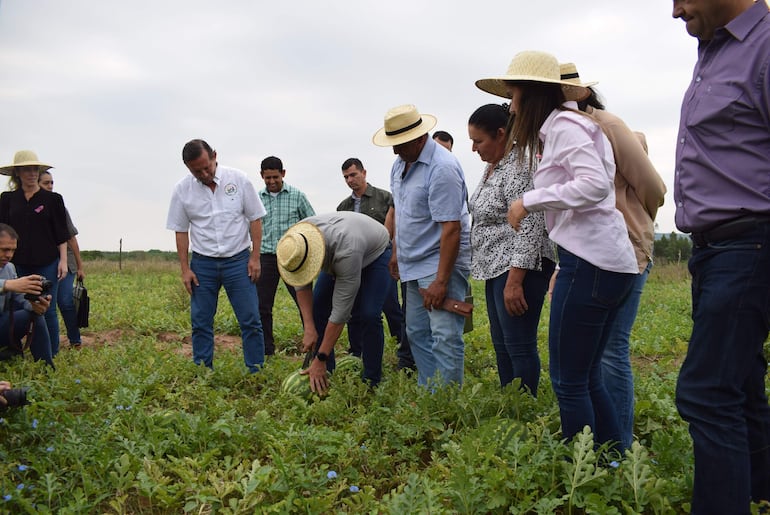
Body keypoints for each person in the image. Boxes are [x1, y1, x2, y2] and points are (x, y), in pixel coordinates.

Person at [479, 51, 638, 449]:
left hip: (591, 263)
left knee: (568, 380)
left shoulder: (566, 127)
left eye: (514, 95)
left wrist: (530, 200)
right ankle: (611, 458)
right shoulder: (564, 128)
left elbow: (596, 185)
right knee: (586, 376)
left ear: (532, 95)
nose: (511, 106)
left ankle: (578, 472)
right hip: (600, 261)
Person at [671, 0, 770, 510]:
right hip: (715, 249)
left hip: (750, 243)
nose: (674, 10)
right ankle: (759, 493)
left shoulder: (765, 46)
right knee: (742, 382)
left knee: (707, 393)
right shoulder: (713, 51)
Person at [560, 63, 667, 450]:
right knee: (590, 355)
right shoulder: (554, 134)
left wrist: (637, 225)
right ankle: (606, 444)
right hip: (586, 253)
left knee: (610, 349)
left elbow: (652, 186)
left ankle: (618, 445)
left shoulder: (608, 126)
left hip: (623, 250)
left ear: (582, 94)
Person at [373, 104, 471, 387]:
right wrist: (396, 252)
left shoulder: (442, 168)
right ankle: (432, 390)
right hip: (412, 262)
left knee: (444, 333)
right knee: (416, 331)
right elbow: (403, 212)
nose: (394, 151)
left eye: (399, 144)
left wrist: (441, 281)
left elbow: (451, 228)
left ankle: (449, 400)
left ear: (419, 138)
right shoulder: (400, 163)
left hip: (440, 262)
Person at [467, 103, 556, 395]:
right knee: (502, 342)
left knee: (518, 343)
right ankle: (510, 401)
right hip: (495, 267)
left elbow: (530, 223)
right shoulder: (493, 168)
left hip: (520, 268)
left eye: (479, 141)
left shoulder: (520, 165)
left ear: (501, 134)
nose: (473, 148)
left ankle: (526, 405)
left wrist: (515, 281)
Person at [166, 139, 267, 373]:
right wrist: (185, 269)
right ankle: (203, 371)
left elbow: (255, 218)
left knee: (250, 318)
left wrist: (255, 257)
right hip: (203, 265)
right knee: (201, 321)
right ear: (188, 168)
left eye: (206, 167)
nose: (203, 173)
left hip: (238, 262)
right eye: (196, 171)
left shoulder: (239, 180)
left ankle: (256, 370)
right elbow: (181, 230)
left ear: (214, 156)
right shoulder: (182, 190)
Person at [276, 212, 392, 393]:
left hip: (376, 252)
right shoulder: (296, 241)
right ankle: (325, 372)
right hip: (338, 246)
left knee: (369, 314)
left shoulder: (347, 252)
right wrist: (309, 326)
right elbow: (302, 286)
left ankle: (371, 380)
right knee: (318, 309)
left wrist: (320, 356)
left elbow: (340, 314)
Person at [336, 157, 415, 370]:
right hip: (356, 265)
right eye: (346, 177)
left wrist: (394, 256)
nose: (350, 180)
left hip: (381, 261)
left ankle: (402, 347)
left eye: (353, 175)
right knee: (354, 309)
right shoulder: (344, 206)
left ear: (364, 172)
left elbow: (395, 229)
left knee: (390, 305)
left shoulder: (384, 198)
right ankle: (357, 351)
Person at [0, 150, 69, 356]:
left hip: (46, 261)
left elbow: (60, 233)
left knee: (45, 306)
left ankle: (51, 352)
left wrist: (63, 261)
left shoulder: (53, 199)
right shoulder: (7, 199)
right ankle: (13, 345)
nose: (31, 173)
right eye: (26, 170)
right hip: (15, 263)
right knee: (17, 305)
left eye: (34, 169)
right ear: (17, 173)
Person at [256, 156, 315, 356]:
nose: (272, 182)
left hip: (294, 259)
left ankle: (313, 346)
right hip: (266, 258)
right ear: (261, 176)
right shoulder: (257, 199)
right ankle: (266, 350)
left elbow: (311, 224)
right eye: (267, 178)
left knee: (305, 303)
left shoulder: (297, 196)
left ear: (283, 173)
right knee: (262, 306)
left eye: (275, 177)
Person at [38, 170, 85, 347]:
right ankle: (48, 342)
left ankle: (75, 340)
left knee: (64, 301)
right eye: (46, 183)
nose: (50, 186)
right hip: (45, 260)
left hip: (66, 260)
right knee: (45, 303)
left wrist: (80, 266)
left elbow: (71, 237)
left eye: (52, 183)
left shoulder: (58, 206)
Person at [0, 223, 54, 367]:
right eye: (5, 250)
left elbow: (18, 298)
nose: (9, 255)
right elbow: (10, 286)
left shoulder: (9, 268)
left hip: (3, 324)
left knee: (34, 315)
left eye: (12, 250)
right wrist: (7, 284)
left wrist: (34, 304)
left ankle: (46, 369)